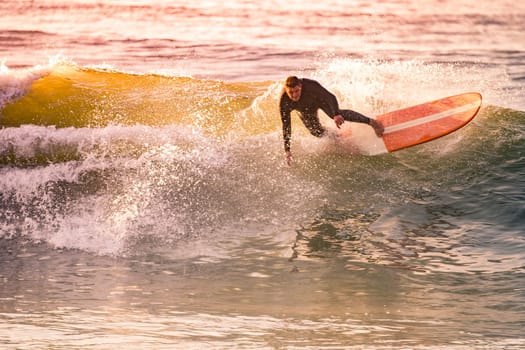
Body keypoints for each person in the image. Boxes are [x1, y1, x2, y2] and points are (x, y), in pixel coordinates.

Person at [279, 76, 384, 165]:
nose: (294, 95)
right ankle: (338, 137)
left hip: (319, 101)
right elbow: (286, 125)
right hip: (305, 110)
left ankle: (372, 122)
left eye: (297, 91)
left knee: (338, 115)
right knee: (316, 132)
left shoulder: (311, 86)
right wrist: (287, 150)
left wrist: (336, 114)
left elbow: (330, 97)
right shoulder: (284, 102)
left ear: (301, 86)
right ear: (286, 89)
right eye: (290, 92)